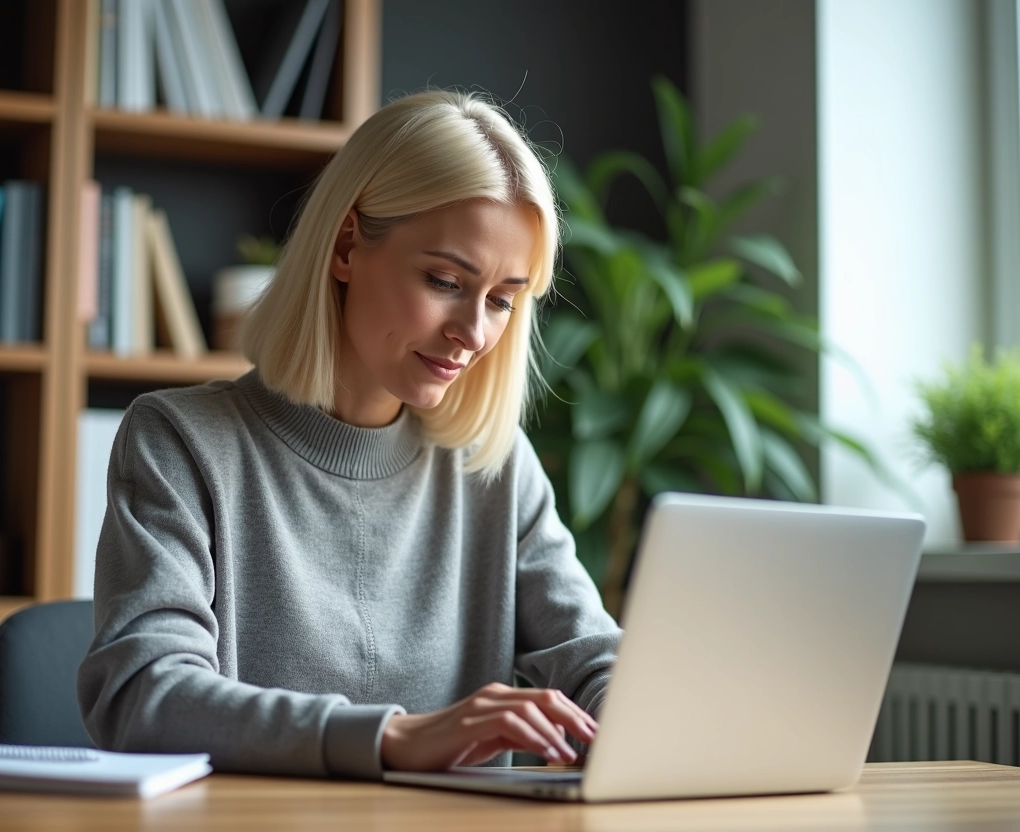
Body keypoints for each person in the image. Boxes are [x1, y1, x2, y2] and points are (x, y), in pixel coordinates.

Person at [77, 90, 622, 780]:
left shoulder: (497, 468)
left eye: (502, 300)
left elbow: (592, 657)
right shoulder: (181, 441)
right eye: (444, 280)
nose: (474, 332)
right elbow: (143, 695)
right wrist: (390, 738)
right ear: (345, 245)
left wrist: (635, 713)